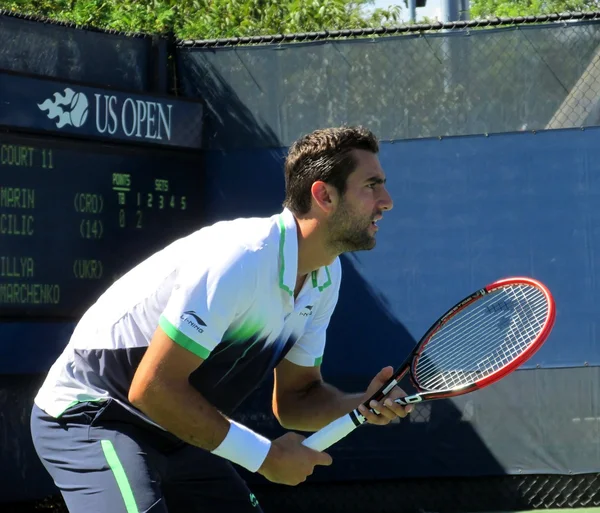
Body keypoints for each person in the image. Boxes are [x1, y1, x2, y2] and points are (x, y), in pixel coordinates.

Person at [30, 125, 412, 513]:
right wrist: (266, 457)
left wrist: (361, 404)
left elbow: (296, 402)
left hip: (178, 428)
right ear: (324, 195)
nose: (387, 200)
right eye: (372, 185)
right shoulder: (241, 259)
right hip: (96, 414)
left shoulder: (326, 276)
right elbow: (152, 389)